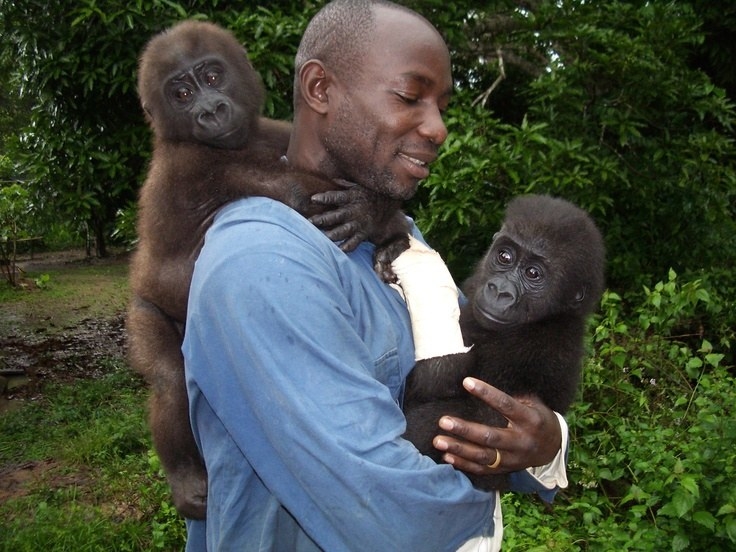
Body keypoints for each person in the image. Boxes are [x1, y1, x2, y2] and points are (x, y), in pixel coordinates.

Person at [182, 1, 568, 550]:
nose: (438, 129)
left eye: (442, 106)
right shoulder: (260, 263)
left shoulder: (395, 232)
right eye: (410, 97)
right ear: (320, 89)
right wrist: (494, 477)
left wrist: (546, 442)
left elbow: (482, 375)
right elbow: (388, 513)